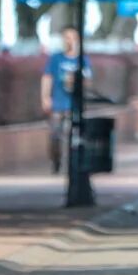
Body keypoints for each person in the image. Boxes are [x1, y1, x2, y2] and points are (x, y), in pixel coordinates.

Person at [40, 26, 91, 175]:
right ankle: (56, 160)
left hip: (74, 104)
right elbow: (47, 78)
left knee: (72, 135)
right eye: (66, 37)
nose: (69, 41)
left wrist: (76, 80)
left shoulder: (83, 60)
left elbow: (88, 81)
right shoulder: (56, 58)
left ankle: (72, 164)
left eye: (72, 38)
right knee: (55, 134)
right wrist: (45, 97)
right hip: (58, 103)